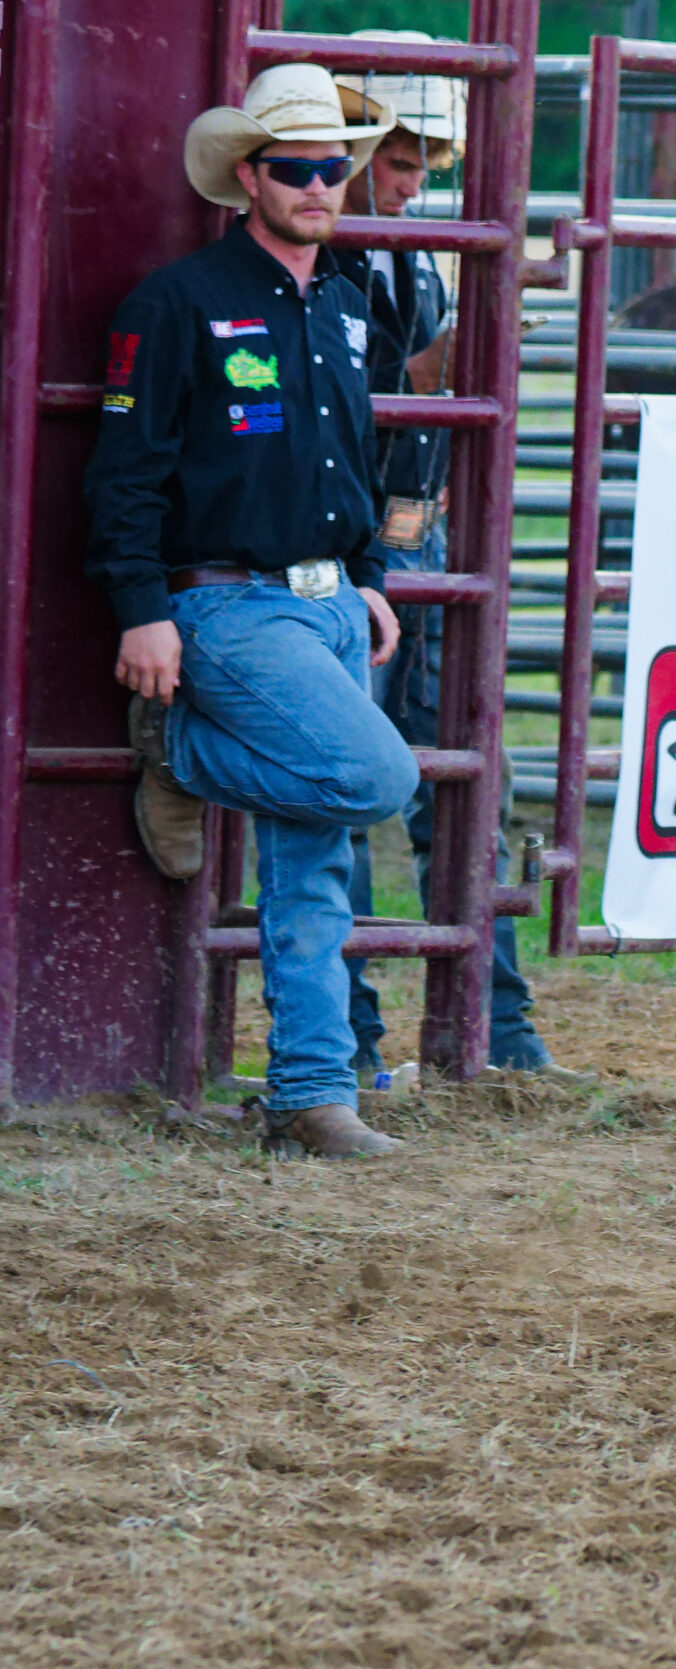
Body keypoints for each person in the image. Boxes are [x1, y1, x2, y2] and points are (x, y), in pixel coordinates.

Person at [84, 64, 416, 1158]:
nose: (320, 185)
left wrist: (369, 572)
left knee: (314, 856)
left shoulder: (348, 304)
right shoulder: (175, 303)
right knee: (376, 776)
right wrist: (144, 608)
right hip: (224, 602)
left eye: (335, 167)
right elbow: (125, 472)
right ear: (246, 176)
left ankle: (311, 1096)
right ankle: (180, 747)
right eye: (296, 168)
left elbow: (351, 455)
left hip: (326, 602)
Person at [331, 43, 585, 1086]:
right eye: (399, 154)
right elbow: (348, 392)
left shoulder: (417, 249)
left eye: (430, 156)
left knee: (470, 780)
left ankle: (492, 1030)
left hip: (417, 533)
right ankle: (352, 1042)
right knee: (346, 784)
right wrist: (434, 368)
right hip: (359, 549)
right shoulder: (344, 252)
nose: (416, 175)